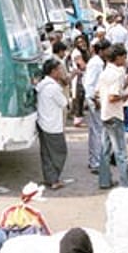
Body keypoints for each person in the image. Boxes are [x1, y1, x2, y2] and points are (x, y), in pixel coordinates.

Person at [96, 43, 128, 189]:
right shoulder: (117, 73)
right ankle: (126, 184)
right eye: (124, 57)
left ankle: (104, 180)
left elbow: (99, 93)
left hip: (105, 114)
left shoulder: (105, 72)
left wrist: (125, 84)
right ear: (118, 57)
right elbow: (113, 97)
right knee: (120, 152)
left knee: (105, 150)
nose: (125, 60)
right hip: (114, 115)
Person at [36, 58, 68, 190]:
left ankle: (49, 178)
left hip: (42, 122)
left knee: (46, 153)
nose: (61, 72)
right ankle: (54, 179)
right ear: (53, 71)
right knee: (60, 152)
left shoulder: (41, 85)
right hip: (53, 124)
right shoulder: (54, 88)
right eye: (60, 69)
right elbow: (64, 103)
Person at [83, 39, 111, 174]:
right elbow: (90, 83)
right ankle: (95, 162)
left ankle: (95, 160)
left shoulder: (98, 62)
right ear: (102, 50)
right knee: (97, 131)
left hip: (95, 97)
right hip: (94, 99)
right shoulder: (96, 63)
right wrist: (94, 98)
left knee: (97, 130)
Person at [70, 35, 90, 127]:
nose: (81, 43)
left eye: (83, 41)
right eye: (79, 42)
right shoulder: (76, 52)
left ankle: (78, 117)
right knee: (78, 97)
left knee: (81, 97)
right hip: (79, 77)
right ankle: (77, 118)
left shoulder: (85, 51)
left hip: (84, 76)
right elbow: (82, 65)